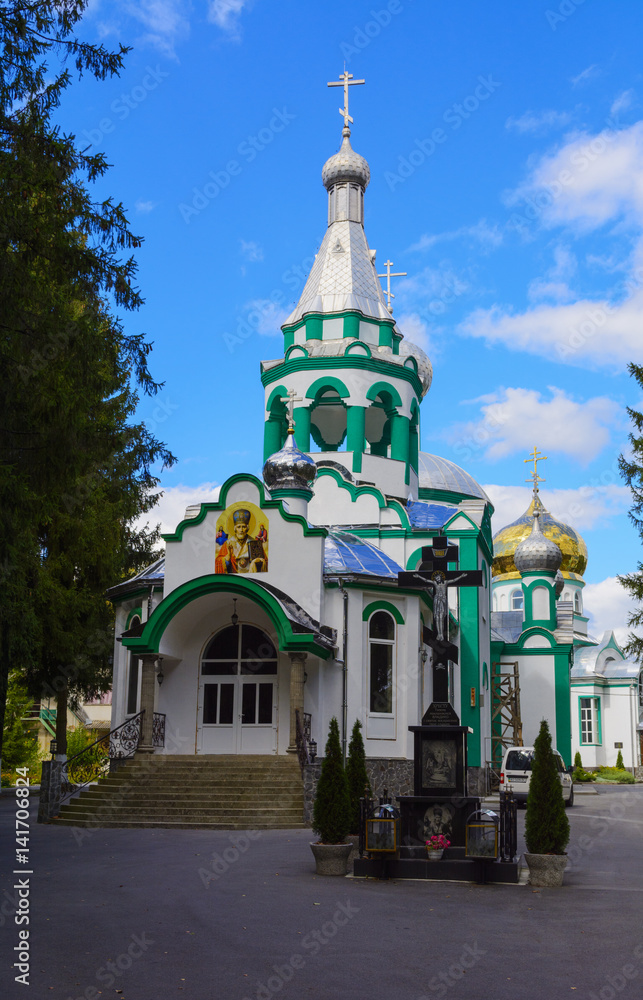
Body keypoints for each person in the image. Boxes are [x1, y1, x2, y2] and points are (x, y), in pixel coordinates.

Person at [215, 509, 267, 574]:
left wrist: (259, 561)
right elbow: (218, 562)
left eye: (244, 527)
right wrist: (227, 558)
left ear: (247, 528)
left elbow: (266, 561)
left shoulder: (255, 543)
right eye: (239, 527)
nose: (241, 530)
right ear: (235, 529)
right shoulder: (228, 543)